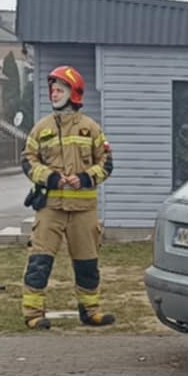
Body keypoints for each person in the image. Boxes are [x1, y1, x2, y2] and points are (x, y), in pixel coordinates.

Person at [21, 65, 115, 330]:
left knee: (87, 263)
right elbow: (27, 161)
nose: (54, 93)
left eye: (60, 89)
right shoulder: (41, 128)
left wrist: (85, 178)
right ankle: (33, 313)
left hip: (83, 208)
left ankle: (90, 311)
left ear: (74, 93)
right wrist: (48, 177)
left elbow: (106, 163)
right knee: (39, 262)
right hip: (50, 207)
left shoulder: (91, 128)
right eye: (52, 89)